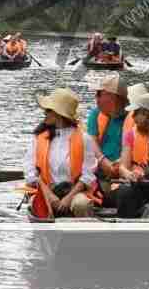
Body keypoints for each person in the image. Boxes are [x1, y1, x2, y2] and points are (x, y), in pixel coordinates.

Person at [23, 88, 102, 218]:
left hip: (74, 191)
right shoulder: (38, 138)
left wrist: (68, 198)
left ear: (59, 114)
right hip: (47, 190)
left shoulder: (84, 138)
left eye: (48, 110)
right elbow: (31, 170)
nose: (45, 113)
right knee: (37, 205)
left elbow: (88, 174)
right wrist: (49, 195)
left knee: (80, 204)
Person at [85, 73, 132, 207]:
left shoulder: (134, 117)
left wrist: (120, 166)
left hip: (126, 174)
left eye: (99, 93)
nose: (96, 97)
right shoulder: (96, 114)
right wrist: (103, 161)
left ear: (111, 97)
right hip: (100, 172)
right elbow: (91, 140)